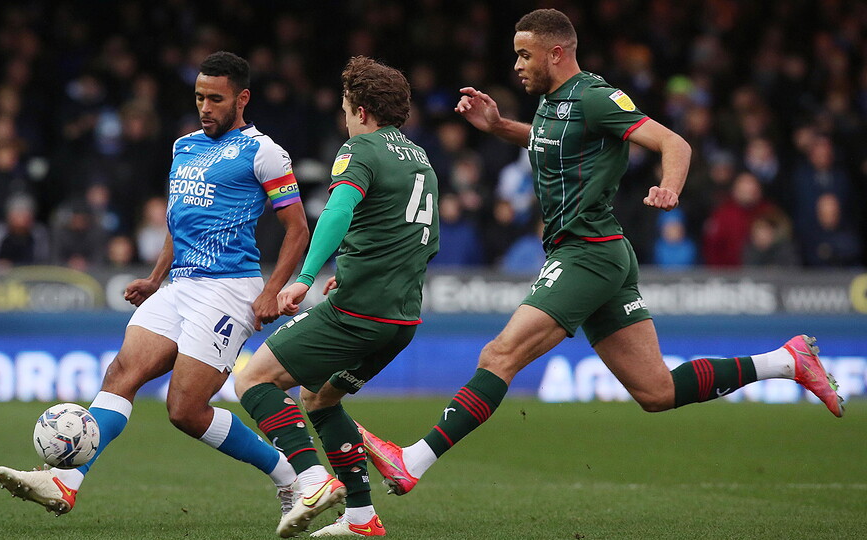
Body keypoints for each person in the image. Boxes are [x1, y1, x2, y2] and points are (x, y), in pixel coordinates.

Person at [356, 8, 845, 500]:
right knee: (657, 392)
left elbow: (674, 142)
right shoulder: (552, 102)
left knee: (498, 355)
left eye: (524, 55)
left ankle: (412, 460)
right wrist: (500, 125)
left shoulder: (594, 97)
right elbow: (547, 140)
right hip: (600, 255)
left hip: (587, 254)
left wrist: (669, 188)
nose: (517, 65)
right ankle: (787, 361)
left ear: (556, 52)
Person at [0, 51, 310, 517]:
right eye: (200, 97)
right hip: (179, 285)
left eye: (216, 99)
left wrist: (270, 290)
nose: (205, 107)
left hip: (228, 289)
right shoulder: (184, 146)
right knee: (122, 374)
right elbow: (179, 219)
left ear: (242, 98)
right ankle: (65, 481)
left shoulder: (263, 152)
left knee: (185, 410)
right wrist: (155, 277)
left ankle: (292, 477)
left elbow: (298, 229)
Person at [233, 56, 439, 538]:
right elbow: (419, 240)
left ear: (362, 111)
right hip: (402, 319)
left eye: (347, 109)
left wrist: (305, 276)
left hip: (357, 314)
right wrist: (355, 272)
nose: (345, 119)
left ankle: (312, 480)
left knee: (254, 381)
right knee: (320, 400)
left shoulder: (359, 150)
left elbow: (337, 212)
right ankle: (362, 518)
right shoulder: (421, 159)